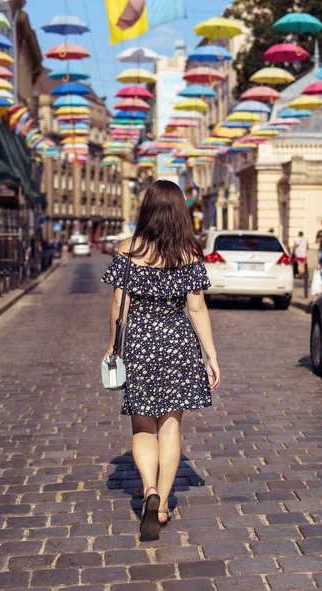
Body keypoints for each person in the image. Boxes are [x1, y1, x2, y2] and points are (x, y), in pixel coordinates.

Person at [101, 180, 220, 540]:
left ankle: (149, 489)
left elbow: (118, 306)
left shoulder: (127, 251)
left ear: (147, 210)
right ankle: (164, 505)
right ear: (180, 212)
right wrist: (211, 355)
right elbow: (197, 307)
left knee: (142, 428)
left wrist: (113, 348)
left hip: (139, 345)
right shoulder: (189, 253)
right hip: (179, 346)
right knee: (170, 427)